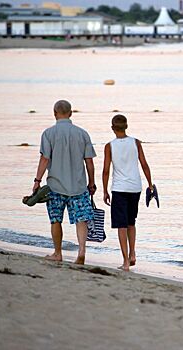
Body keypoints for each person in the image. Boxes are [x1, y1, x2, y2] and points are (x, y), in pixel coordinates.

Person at [33, 100, 97, 265]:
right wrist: (92, 183)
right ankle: (81, 251)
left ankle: (57, 253)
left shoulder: (48, 134)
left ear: (54, 113)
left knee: (56, 219)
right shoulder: (82, 134)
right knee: (81, 219)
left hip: (55, 185)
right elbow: (89, 162)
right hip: (78, 185)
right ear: (71, 113)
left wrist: (37, 180)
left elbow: (44, 159)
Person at [102, 114, 153, 271]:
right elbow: (144, 164)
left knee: (121, 225)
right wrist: (150, 184)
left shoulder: (109, 146)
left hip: (119, 189)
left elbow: (106, 170)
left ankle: (125, 261)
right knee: (131, 222)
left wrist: (104, 190)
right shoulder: (136, 142)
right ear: (126, 126)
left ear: (112, 128)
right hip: (135, 187)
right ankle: (133, 253)